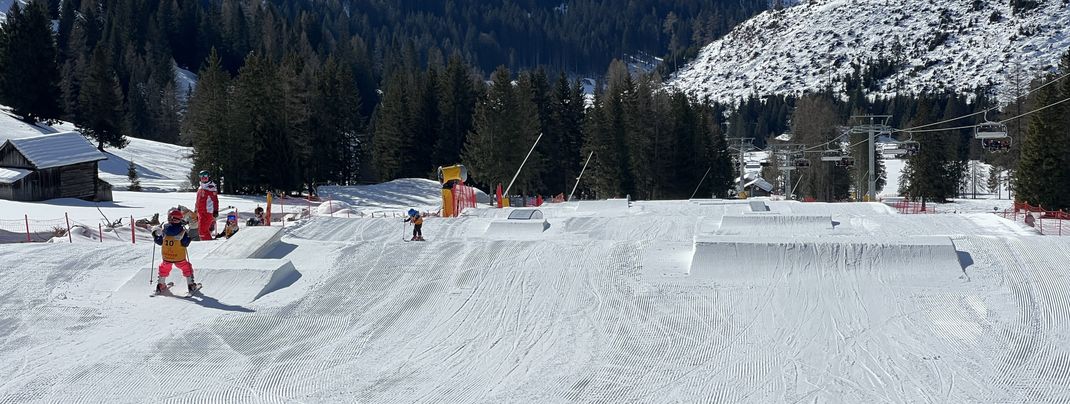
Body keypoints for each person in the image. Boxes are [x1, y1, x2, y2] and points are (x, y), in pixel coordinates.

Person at [153, 208, 199, 294]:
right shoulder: (182, 231)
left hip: (166, 257)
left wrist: (155, 236)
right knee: (186, 267)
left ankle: (160, 284)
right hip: (179, 257)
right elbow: (185, 243)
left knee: (164, 268)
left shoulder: (164, 230)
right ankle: (190, 284)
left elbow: (159, 241)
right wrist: (188, 237)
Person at [195, 170, 219, 240]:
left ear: (209, 177)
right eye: (201, 176)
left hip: (207, 212)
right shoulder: (200, 187)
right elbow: (198, 200)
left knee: (203, 231)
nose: (203, 177)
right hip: (200, 212)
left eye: (205, 176)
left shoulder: (211, 187)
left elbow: (215, 200)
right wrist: (196, 210)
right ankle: (205, 242)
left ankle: (207, 243)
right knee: (201, 230)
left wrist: (215, 211)